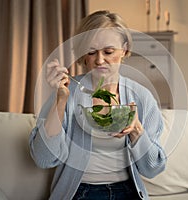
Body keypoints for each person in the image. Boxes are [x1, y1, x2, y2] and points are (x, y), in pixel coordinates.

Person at [29, 10, 167, 200]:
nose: (99, 60)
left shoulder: (141, 97)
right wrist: (61, 101)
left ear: (125, 49)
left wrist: (136, 131)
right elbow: (43, 159)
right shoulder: (67, 92)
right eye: (91, 52)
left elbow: (153, 169)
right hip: (80, 193)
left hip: (128, 192)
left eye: (108, 52)